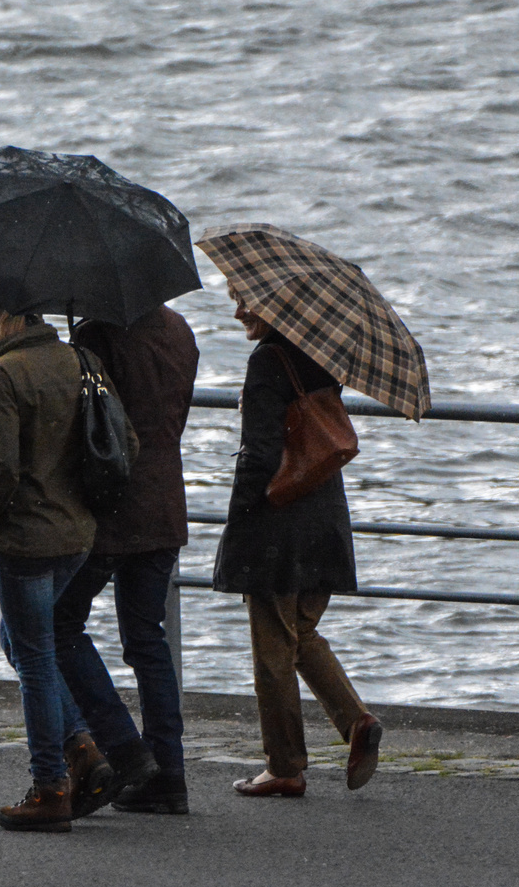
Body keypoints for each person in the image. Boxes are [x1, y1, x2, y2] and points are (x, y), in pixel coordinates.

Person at [0, 287, 136, 833]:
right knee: (20, 641)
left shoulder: (6, 373)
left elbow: (1, 466)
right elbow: (124, 438)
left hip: (28, 539)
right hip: (78, 532)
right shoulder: (82, 359)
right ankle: (82, 750)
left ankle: (50, 787)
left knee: (33, 658)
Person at [214, 293, 382, 797]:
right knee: (300, 633)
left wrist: (239, 517)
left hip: (278, 521)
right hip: (325, 514)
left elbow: (262, 451)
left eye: (246, 302)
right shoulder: (323, 355)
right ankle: (357, 723)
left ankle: (285, 766)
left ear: (279, 305)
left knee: (272, 648)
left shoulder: (267, 360)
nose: (239, 311)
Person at [52, 303, 200, 816]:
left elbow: (90, 425)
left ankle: (122, 747)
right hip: (164, 499)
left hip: (113, 504)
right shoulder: (179, 331)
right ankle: (169, 771)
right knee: (147, 637)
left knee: (58, 624)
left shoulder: (98, 334)